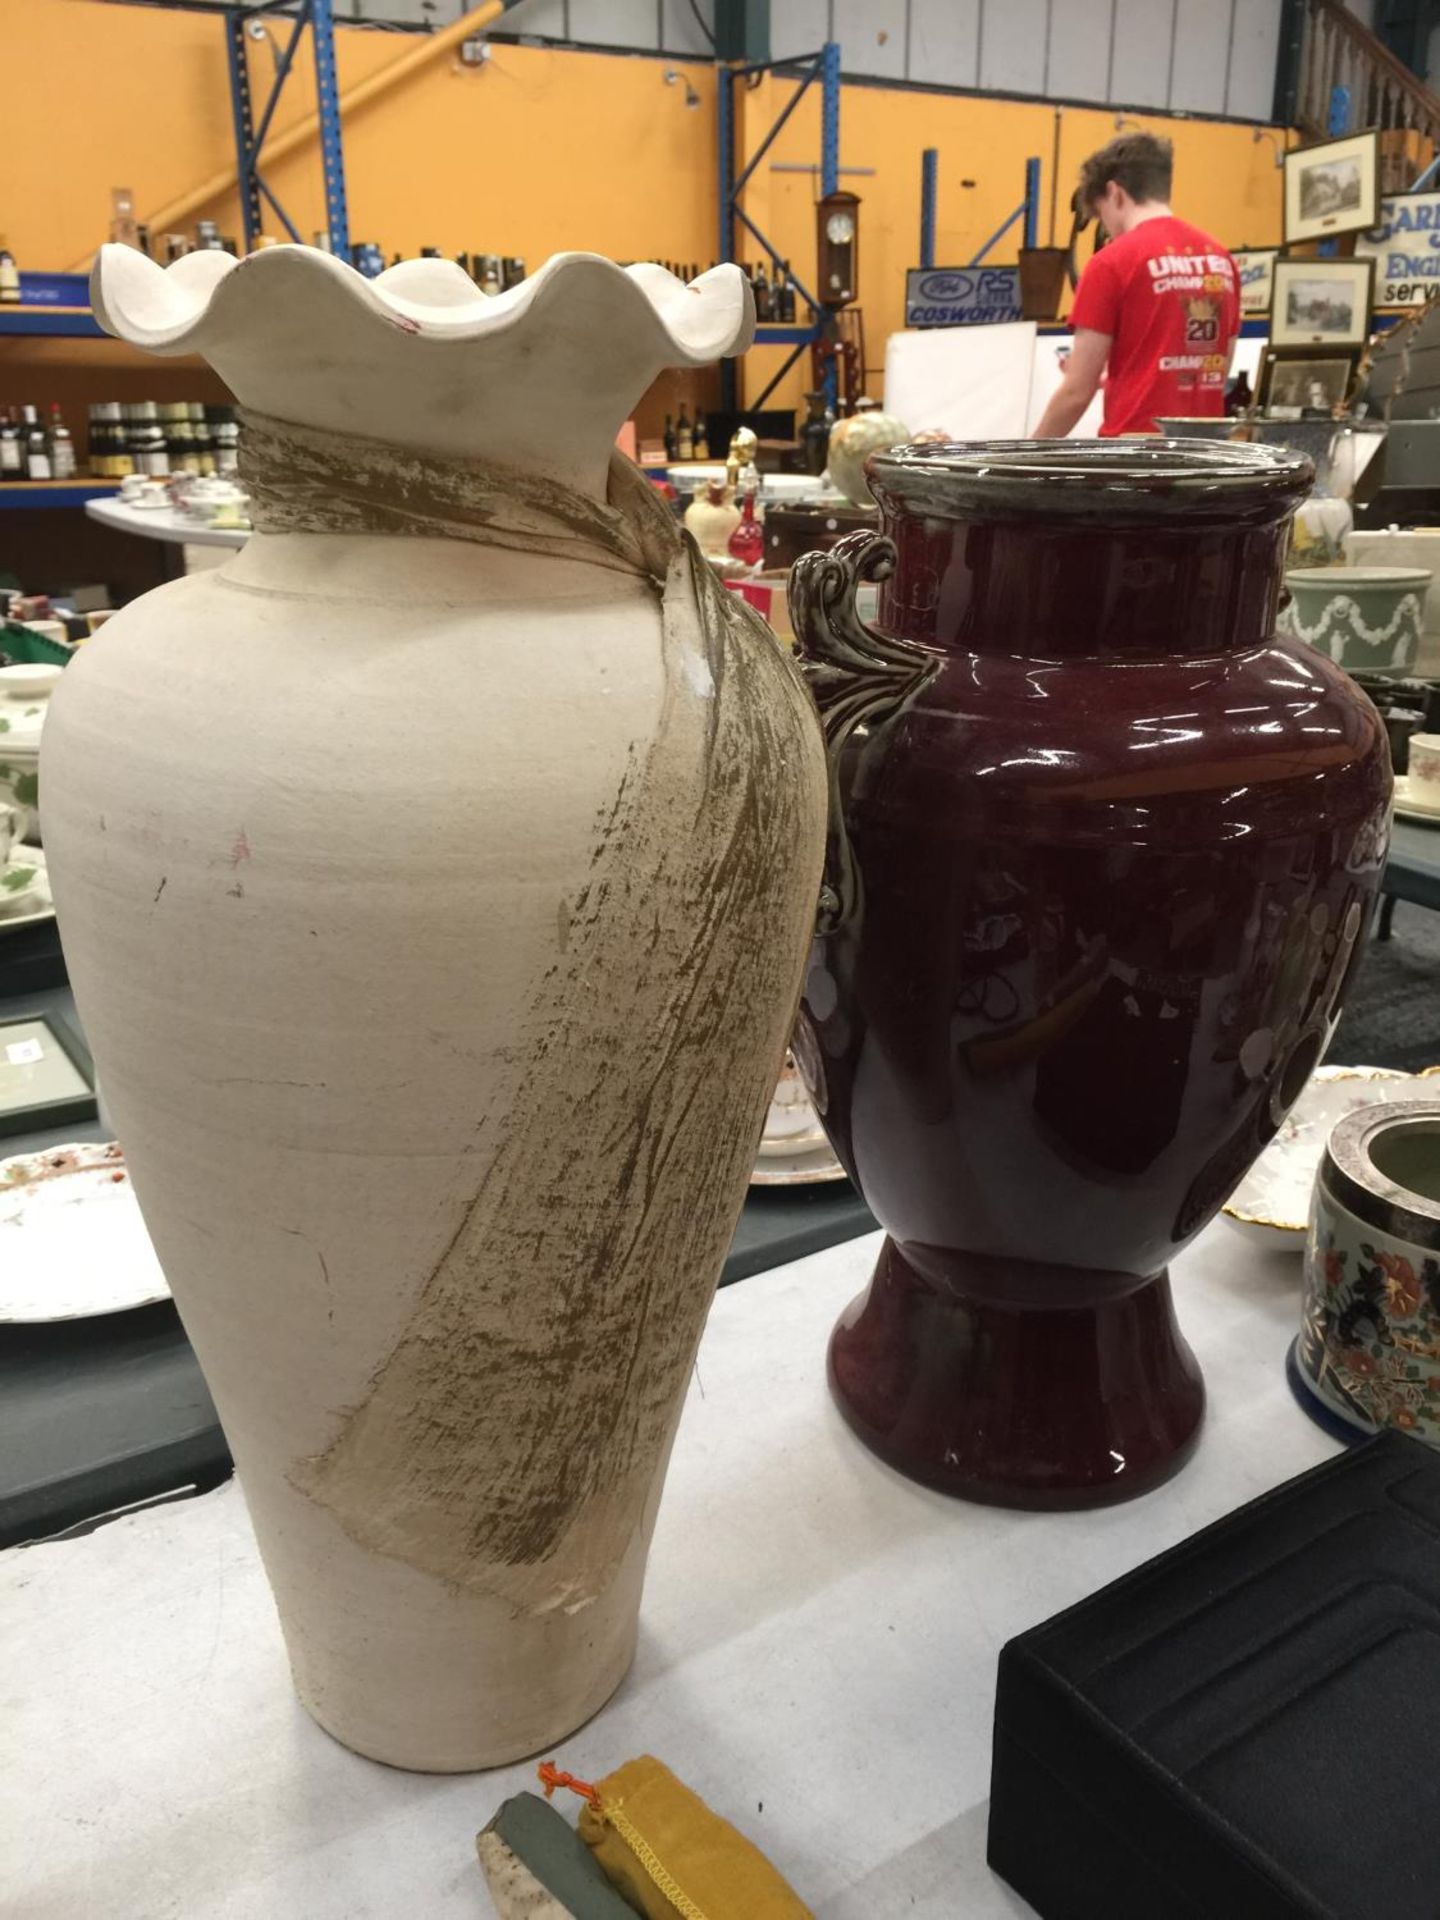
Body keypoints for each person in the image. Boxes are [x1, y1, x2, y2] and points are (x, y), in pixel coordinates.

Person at [1032, 132, 1240, 439]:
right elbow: (1215, 367)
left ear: (1115, 193)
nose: (1107, 228)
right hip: (1206, 449)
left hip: (1136, 454)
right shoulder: (1221, 259)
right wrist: (1120, 378)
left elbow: (1077, 391)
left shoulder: (1111, 262)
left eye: (1102, 215)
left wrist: (1025, 455)